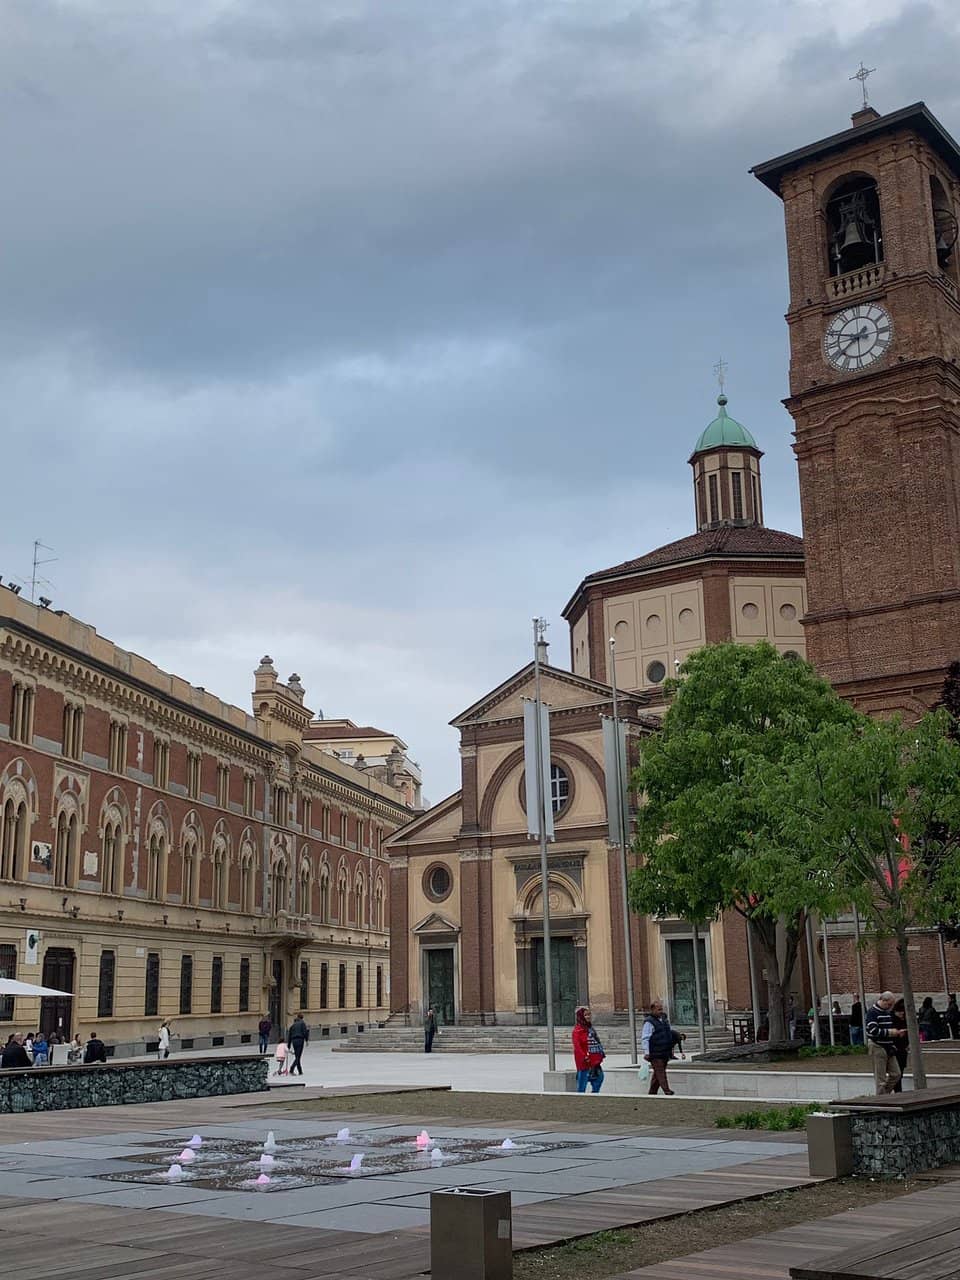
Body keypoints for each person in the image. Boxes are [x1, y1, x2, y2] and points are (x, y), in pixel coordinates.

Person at [865, 991, 905, 1094]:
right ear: (883, 1000)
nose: (890, 1007)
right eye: (889, 1004)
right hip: (877, 1046)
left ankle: (884, 1093)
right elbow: (873, 1031)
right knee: (880, 1078)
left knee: (896, 1074)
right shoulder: (872, 1012)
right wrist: (891, 1033)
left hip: (888, 1047)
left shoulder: (886, 1013)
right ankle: (882, 1097)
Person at [642, 999, 683, 1096]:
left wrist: (677, 1036)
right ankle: (667, 1091)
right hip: (655, 1052)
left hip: (664, 1051)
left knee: (657, 1074)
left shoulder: (664, 1020)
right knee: (660, 1072)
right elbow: (645, 1038)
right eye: (659, 1010)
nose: (661, 1012)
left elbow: (668, 1032)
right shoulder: (649, 1022)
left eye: (661, 1009)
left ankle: (652, 1093)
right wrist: (647, 1052)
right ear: (653, 1010)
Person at [572, 1005, 605, 1093]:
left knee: (599, 1078)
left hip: (594, 1061)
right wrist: (584, 1057)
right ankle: (580, 1102)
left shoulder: (590, 1029)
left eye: (589, 1014)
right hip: (584, 1062)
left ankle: (594, 1096)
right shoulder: (577, 1031)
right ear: (581, 1016)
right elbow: (577, 1046)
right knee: (582, 1085)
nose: (588, 1017)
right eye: (586, 1015)